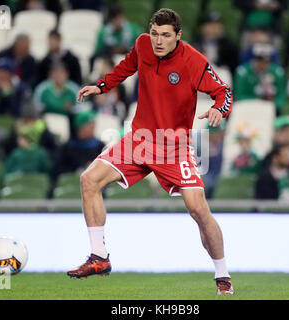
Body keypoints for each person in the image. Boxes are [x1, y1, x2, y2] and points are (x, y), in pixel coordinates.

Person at [67, 8, 234, 295]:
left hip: (173, 145)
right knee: (89, 180)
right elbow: (127, 66)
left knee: (198, 209)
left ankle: (222, 274)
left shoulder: (194, 60)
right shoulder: (143, 44)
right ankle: (99, 257)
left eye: (166, 36)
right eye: (155, 33)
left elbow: (224, 92)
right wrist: (101, 86)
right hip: (139, 139)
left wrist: (220, 109)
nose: (158, 41)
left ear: (178, 36)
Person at [234, 42, 286, 114]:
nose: (261, 64)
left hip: (270, 108)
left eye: (265, 61)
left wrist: (271, 105)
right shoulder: (243, 72)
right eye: (259, 60)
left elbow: (281, 96)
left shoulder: (277, 72)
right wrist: (256, 102)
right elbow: (238, 95)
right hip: (248, 108)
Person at [53, 110, 105, 178]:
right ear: (80, 128)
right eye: (90, 127)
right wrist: (75, 172)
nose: (93, 129)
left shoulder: (100, 147)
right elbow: (58, 170)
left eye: (93, 126)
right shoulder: (67, 148)